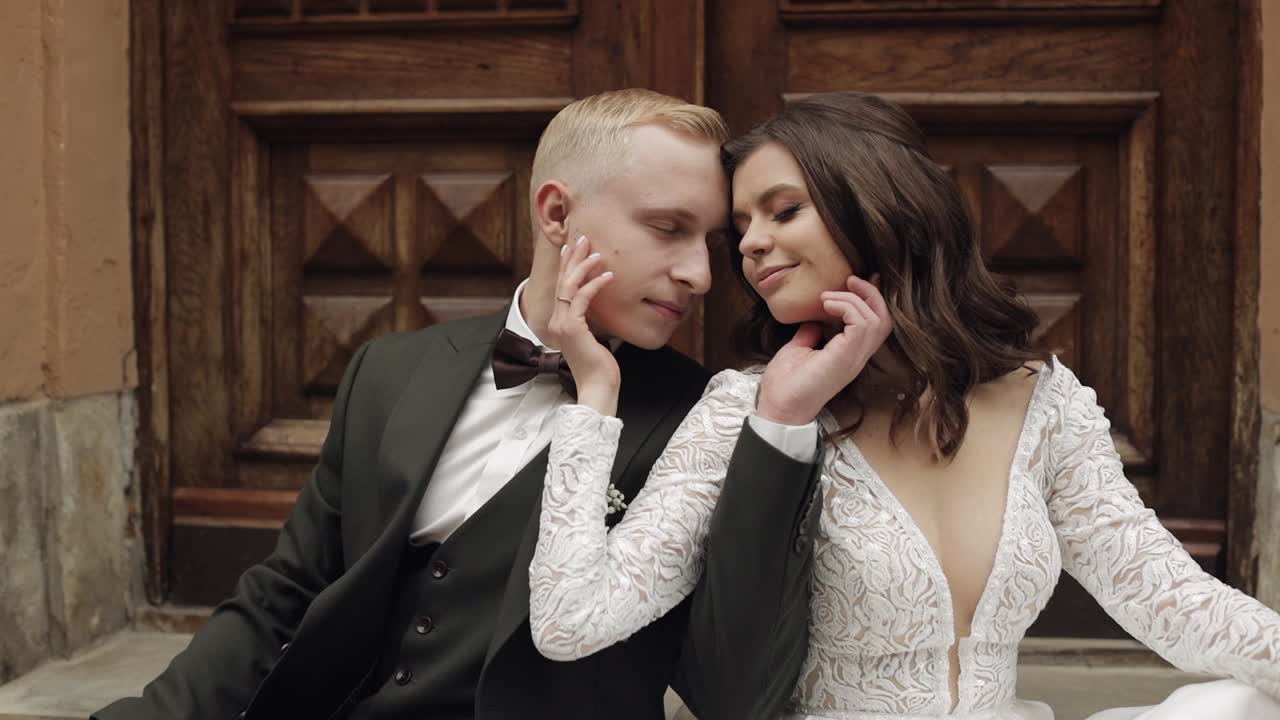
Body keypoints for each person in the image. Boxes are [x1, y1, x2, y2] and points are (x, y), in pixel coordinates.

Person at [528, 91, 1280, 720]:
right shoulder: (746, 410)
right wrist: (595, 401)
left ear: (876, 207)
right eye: (743, 229)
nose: (752, 245)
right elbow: (570, 621)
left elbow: (1176, 604)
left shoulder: (1042, 400)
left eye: (782, 211)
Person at [93, 89, 822, 720]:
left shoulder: (706, 418)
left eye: (712, 242)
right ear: (557, 213)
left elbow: (732, 682)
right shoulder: (391, 370)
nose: (699, 273)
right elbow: (285, 594)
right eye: (668, 228)